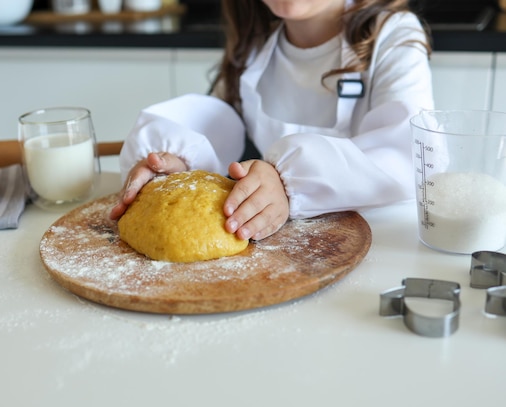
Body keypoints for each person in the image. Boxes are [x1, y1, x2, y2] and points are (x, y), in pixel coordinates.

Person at [109, 0, 433, 241]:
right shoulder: (256, 44)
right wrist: (178, 162)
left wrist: (288, 182)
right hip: (284, 248)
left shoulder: (392, 35)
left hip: (384, 245)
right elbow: (218, 119)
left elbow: (406, 155)